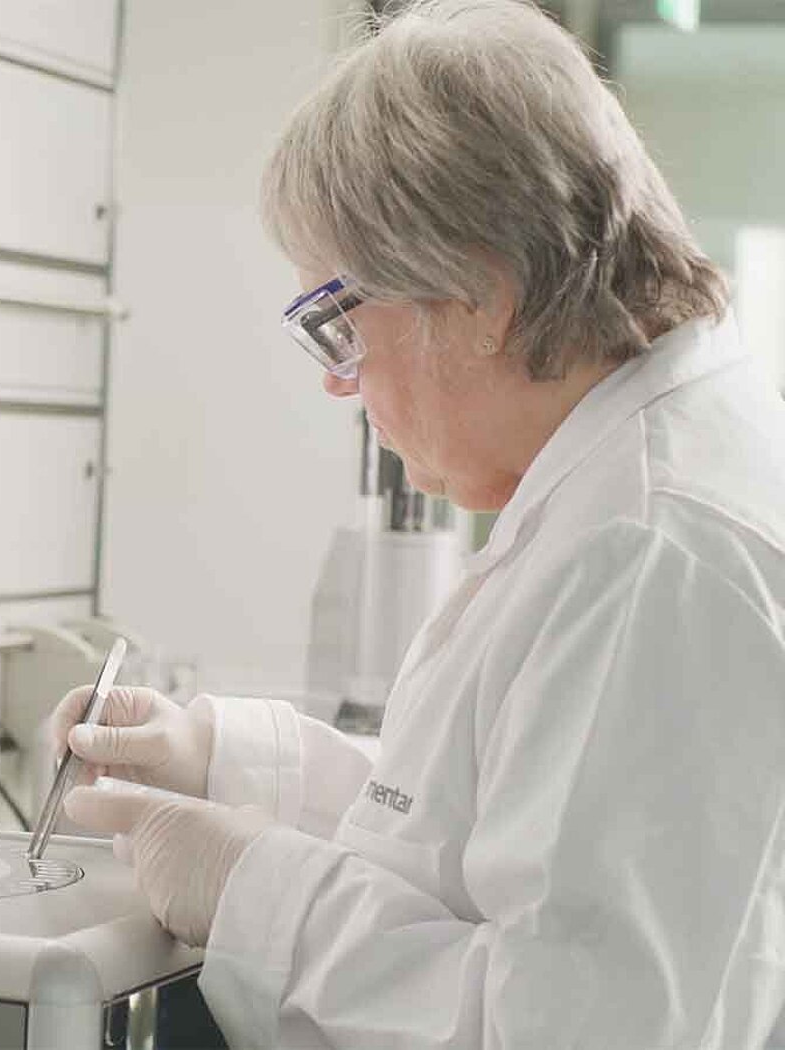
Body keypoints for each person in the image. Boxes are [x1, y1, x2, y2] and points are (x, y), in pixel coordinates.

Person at [52, 1, 785, 1046]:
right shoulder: (624, 486)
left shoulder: (652, 552)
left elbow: (574, 1026)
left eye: (339, 323)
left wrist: (253, 890)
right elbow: (494, 840)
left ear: (479, 293)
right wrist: (219, 759)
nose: (338, 381)